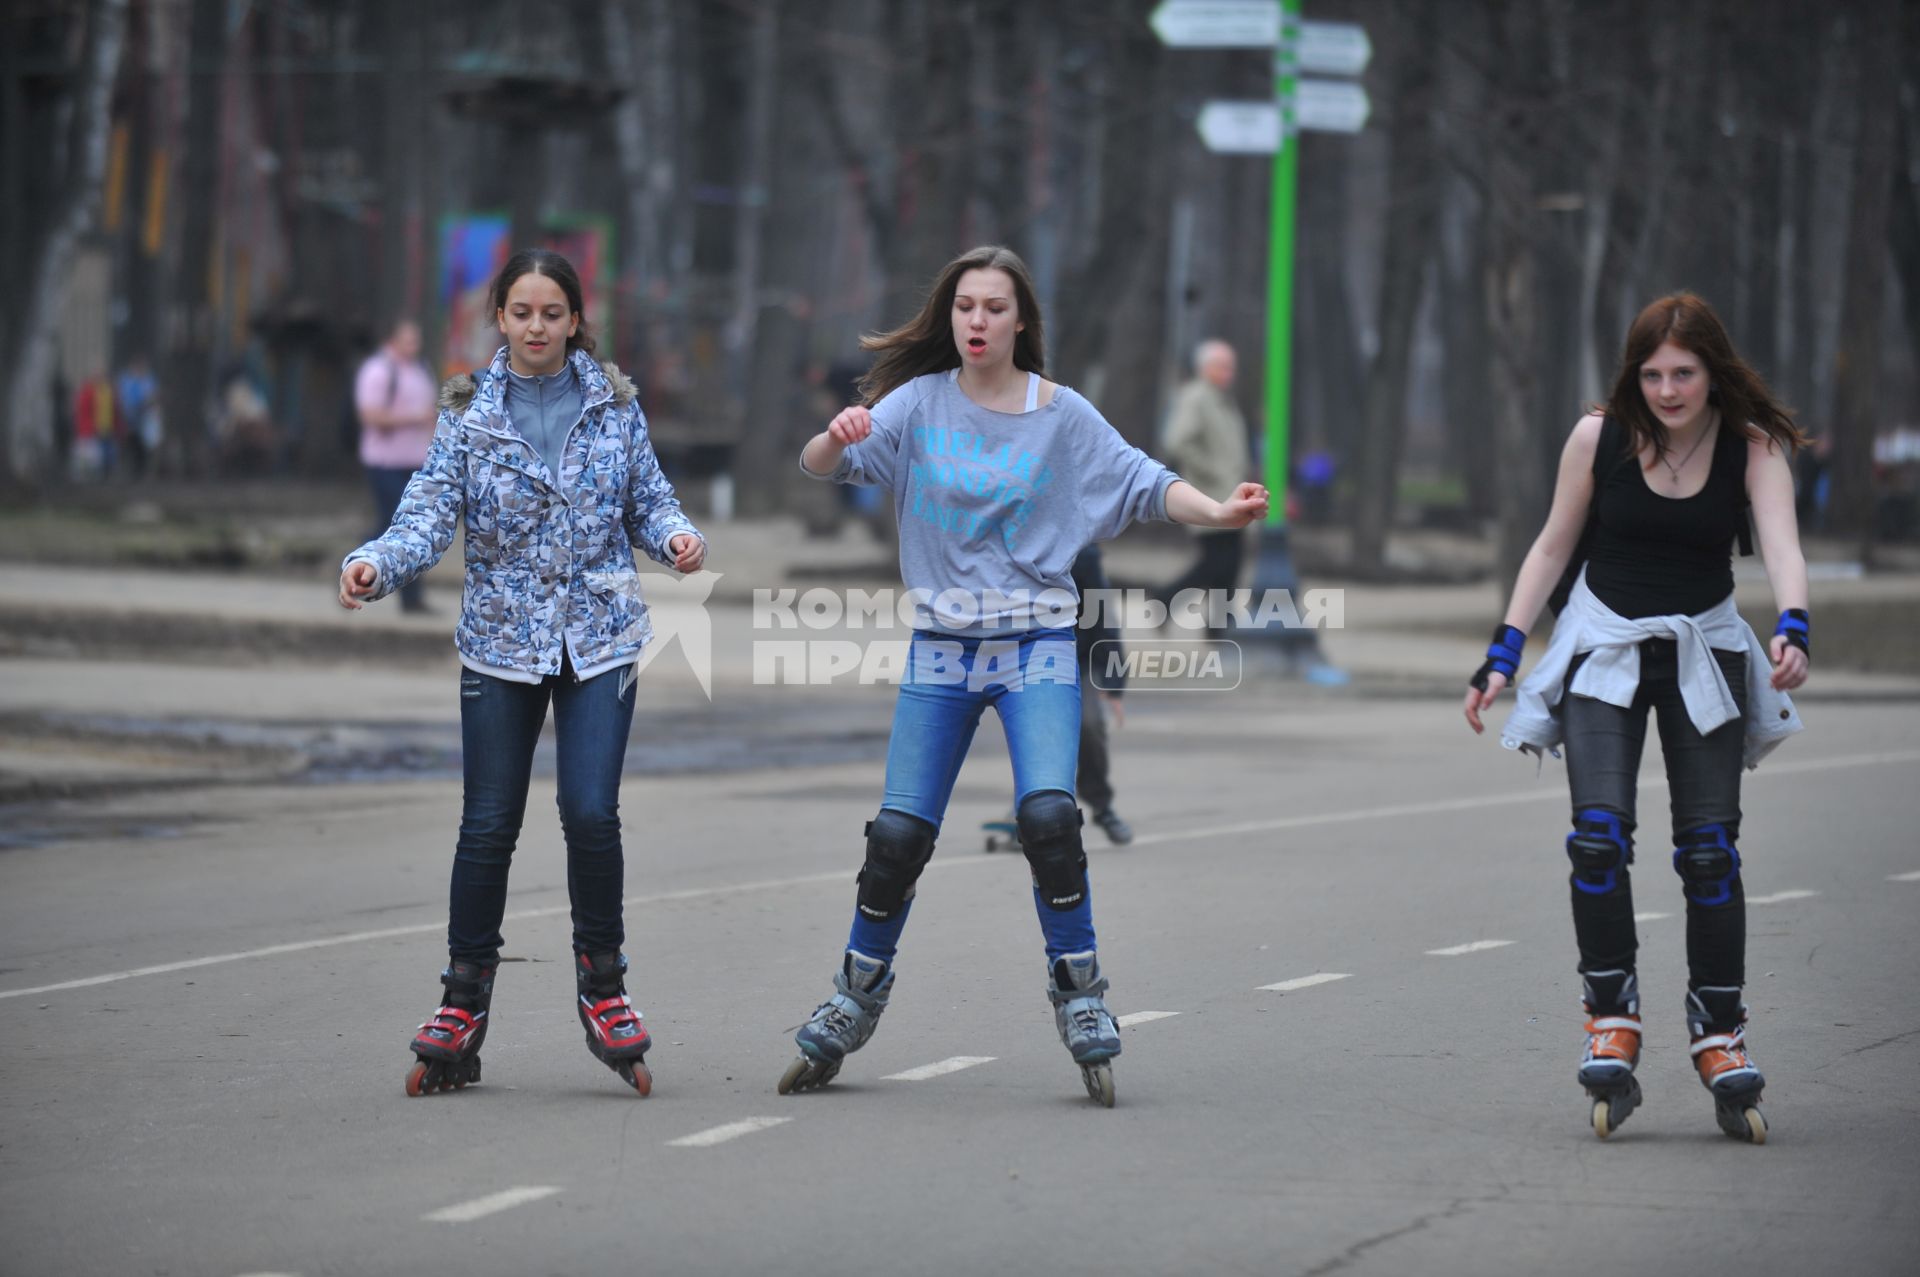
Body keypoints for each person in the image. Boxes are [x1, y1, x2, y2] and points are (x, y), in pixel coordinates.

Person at [780, 245, 1268, 1106]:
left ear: (1020, 321)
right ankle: (852, 998)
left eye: (993, 307)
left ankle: (1080, 995)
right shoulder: (917, 404)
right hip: (941, 645)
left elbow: (1145, 481)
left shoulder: (1062, 415)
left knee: (1048, 815)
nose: (976, 321)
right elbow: (823, 465)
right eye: (964, 305)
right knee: (896, 838)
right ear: (949, 316)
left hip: (1036, 640)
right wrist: (837, 434)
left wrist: (1218, 510)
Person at [337, 248, 706, 1098]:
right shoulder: (469, 413)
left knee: (590, 813)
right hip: (501, 645)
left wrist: (680, 539)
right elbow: (428, 512)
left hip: (601, 641)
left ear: (576, 320)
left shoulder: (615, 407)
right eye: (520, 312)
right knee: (488, 824)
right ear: (497, 318)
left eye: (552, 313)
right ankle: (461, 1005)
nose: (536, 327)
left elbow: (649, 498)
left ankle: (605, 990)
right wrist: (376, 564)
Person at [1462, 292, 1809, 1144]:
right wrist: (1505, 650)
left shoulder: (1751, 446)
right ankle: (1611, 1016)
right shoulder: (1600, 435)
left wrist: (1794, 621)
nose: (1667, 390)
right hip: (1604, 647)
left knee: (1708, 849)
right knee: (1597, 836)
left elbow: (1783, 544)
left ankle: (1719, 1031)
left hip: (1706, 649)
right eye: (1651, 373)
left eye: (1683, 373)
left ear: (1712, 370)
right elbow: (1550, 544)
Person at [1156, 339, 1252, 633]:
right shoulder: (1197, 397)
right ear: (1205, 368)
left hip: (1227, 494)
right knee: (1217, 563)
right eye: (1222, 366)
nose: (1229, 372)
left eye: (1231, 366)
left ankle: (1218, 625)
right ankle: (1167, 600)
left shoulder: (1220, 400)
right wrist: (1212, 472)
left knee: (1229, 563)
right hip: (1210, 497)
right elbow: (1176, 440)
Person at [354, 320, 439, 612]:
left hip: (415, 463)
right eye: (407, 341)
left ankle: (410, 597)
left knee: (408, 529)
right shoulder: (378, 371)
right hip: (384, 463)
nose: (413, 347)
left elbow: (429, 416)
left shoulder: (419, 371)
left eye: (415, 341)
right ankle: (357, 566)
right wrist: (413, 418)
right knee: (396, 527)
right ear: (391, 341)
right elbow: (371, 416)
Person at [1071, 544, 1132, 845]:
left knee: (1089, 723)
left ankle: (1101, 805)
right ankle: (1033, 806)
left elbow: (1102, 619)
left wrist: (1113, 683)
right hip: (1024, 656)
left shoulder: (1083, 553)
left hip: (1074, 659)